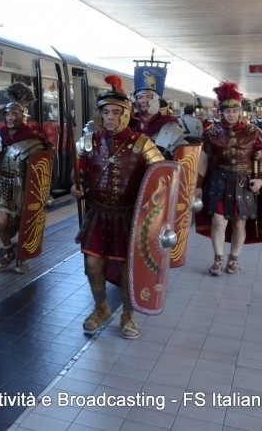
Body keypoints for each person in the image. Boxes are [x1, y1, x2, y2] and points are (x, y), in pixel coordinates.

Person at [71, 74, 164, 339]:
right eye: (105, 112)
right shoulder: (88, 142)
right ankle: (100, 307)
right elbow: (77, 175)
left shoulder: (143, 144)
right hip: (98, 213)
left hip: (129, 217)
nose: (110, 117)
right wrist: (76, 187)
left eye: (116, 112)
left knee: (127, 268)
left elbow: (163, 180)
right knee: (92, 264)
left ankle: (128, 315)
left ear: (127, 114)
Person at [194, 81, 262, 275]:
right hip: (218, 181)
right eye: (227, 111)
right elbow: (203, 160)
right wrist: (197, 185)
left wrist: (261, 180)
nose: (231, 114)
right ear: (221, 112)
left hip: (243, 182)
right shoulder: (210, 133)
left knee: (239, 223)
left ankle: (233, 260)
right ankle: (218, 259)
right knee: (218, 220)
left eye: (235, 111)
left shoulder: (253, 133)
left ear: (240, 112)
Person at [0, 82, 52, 274]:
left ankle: (22, 257)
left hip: (24, 187)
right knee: (1, 222)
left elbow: (43, 169)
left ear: (23, 118)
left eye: (14, 115)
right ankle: (8, 251)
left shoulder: (33, 138)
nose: (10, 118)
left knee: (25, 223)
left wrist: (44, 193)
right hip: (2, 185)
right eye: (7, 114)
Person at [131, 60, 186, 157]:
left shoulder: (169, 124)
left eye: (148, 97)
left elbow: (184, 156)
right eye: (139, 97)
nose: (143, 100)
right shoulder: (130, 124)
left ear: (158, 102)